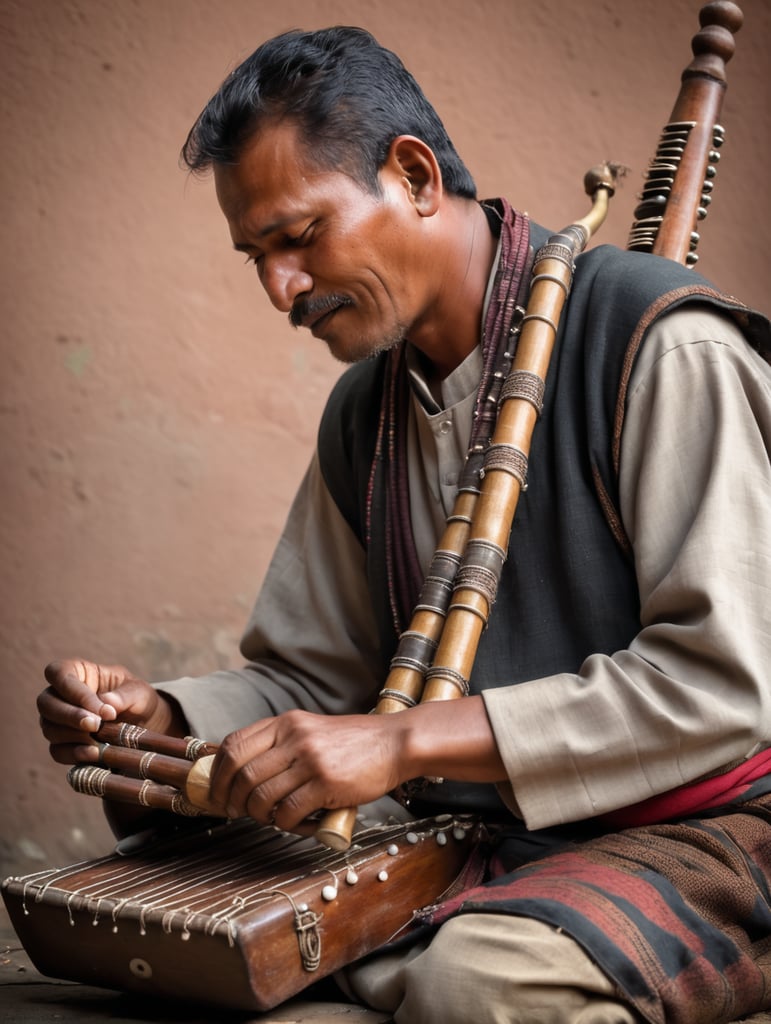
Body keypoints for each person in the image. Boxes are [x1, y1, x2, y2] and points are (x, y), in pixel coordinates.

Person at [37, 25, 771, 1024]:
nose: (280, 289)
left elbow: (726, 684)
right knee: (201, 949)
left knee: (473, 987)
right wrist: (158, 716)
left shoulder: (666, 349)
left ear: (415, 175)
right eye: (256, 255)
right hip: (485, 834)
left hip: (712, 827)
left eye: (298, 236)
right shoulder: (365, 411)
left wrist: (399, 744)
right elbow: (314, 680)